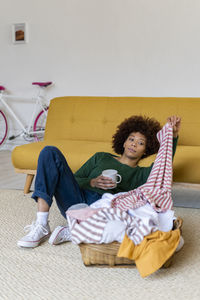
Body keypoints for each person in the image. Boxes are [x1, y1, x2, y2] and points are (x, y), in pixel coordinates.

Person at [17, 115, 181, 248]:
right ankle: (42, 224)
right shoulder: (101, 157)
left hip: (102, 210)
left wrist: (172, 137)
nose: (134, 144)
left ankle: (77, 229)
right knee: (49, 151)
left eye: (141, 143)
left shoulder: (142, 174)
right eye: (131, 139)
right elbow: (74, 180)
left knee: (129, 224)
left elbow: (164, 164)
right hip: (76, 200)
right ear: (123, 141)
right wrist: (93, 182)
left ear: (146, 150)